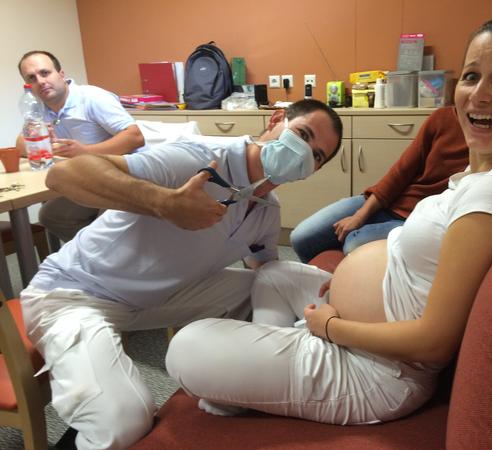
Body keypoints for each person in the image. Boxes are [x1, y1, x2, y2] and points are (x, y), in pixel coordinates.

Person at [165, 14, 492, 426]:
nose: (479, 94)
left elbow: (434, 343)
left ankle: (267, 368)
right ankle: (264, 370)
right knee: (273, 275)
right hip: (365, 321)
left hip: (377, 371)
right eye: (472, 76)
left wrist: (331, 327)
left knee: (186, 347)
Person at [20, 99, 343, 449]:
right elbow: (64, 175)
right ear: (276, 119)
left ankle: (233, 381)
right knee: (124, 421)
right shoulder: (199, 159)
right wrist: (164, 203)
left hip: (157, 298)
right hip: (74, 294)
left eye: (317, 155)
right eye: (302, 135)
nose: (303, 153)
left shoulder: (266, 212)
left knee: (262, 286)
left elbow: (271, 276)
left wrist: (327, 307)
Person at [290, 105, 492, 263]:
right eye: (472, 77)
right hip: (390, 201)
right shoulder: (444, 118)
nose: (483, 96)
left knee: (354, 244)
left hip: (421, 218)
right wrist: (361, 214)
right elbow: (400, 172)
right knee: (302, 238)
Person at [16, 50, 148, 243]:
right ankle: (97, 253)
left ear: (61, 74)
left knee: (103, 225)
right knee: (51, 216)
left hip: (125, 174)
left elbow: (135, 137)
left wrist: (85, 152)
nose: (41, 81)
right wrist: (43, 141)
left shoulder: (92, 97)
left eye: (45, 73)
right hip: (89, 177)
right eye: (32, 78)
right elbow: (20, 144)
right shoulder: (39, 107)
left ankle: (106, 253)